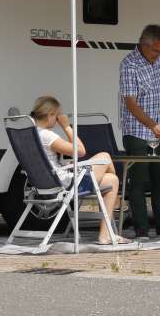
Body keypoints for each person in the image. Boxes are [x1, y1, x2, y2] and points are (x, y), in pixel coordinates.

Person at [31, 95, 130, 245]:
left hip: (51, 182)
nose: (58, 120)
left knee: (112, 180)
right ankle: (116, 202)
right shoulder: (47, 135)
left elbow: (48, 162)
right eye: (58, 116)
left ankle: (105, 236)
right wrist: (66, 126)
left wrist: (63, 166)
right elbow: (81, 151)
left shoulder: (33, 134)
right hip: (68, 185)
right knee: (105, 156)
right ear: (51, 115)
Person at [119, 24, 160, 239]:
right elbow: (131, 103)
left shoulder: (158, 59)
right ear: (144, 44)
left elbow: (159, 92)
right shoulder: (129, 64)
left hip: (158, 129)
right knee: (138, 180)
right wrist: (153, 125)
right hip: (137, 132)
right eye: (156, 50)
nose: (159, 55)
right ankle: (141, 226)